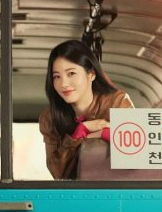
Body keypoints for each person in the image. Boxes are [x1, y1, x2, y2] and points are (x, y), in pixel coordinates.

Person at [39, 39, 134, 179]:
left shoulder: (117, 102)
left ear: (91, 74)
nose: (63, 83)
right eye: (57, 76)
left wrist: (103, 134)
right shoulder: (50, 118)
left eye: (71, 73)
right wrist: (78, 134)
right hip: (79, 191)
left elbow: (136, 152)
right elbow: (58, 173)